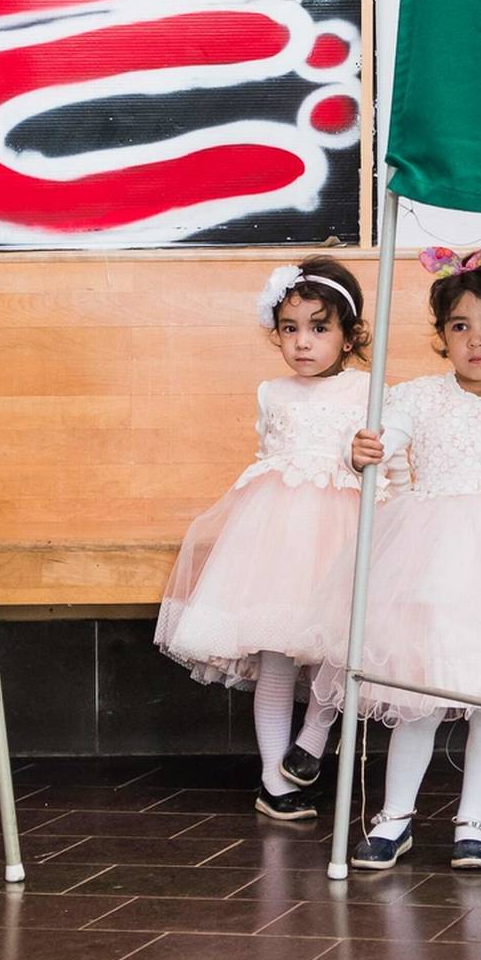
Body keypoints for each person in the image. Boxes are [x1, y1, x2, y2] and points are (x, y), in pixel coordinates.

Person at [310, 248, 481, 874]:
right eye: (461, 326)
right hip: (433, 554)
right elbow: (383, 438)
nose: (477, 341)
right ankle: (395, 817)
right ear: (442, 335)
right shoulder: (419, 395)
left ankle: (473, 821)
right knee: (418, 692)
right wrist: (362, 449)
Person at [154, 258, 369, 820]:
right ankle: (275, 779)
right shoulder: (271, 392)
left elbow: (384, 468)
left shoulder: (368, 390)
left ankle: (314, 739)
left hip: (342, 535)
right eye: (290, 329)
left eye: (320, 329)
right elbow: (267, 457)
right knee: (276, 655)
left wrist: (358, 462)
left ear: (350, 337)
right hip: (276, 539)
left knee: (345, 646)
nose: (303, 343)